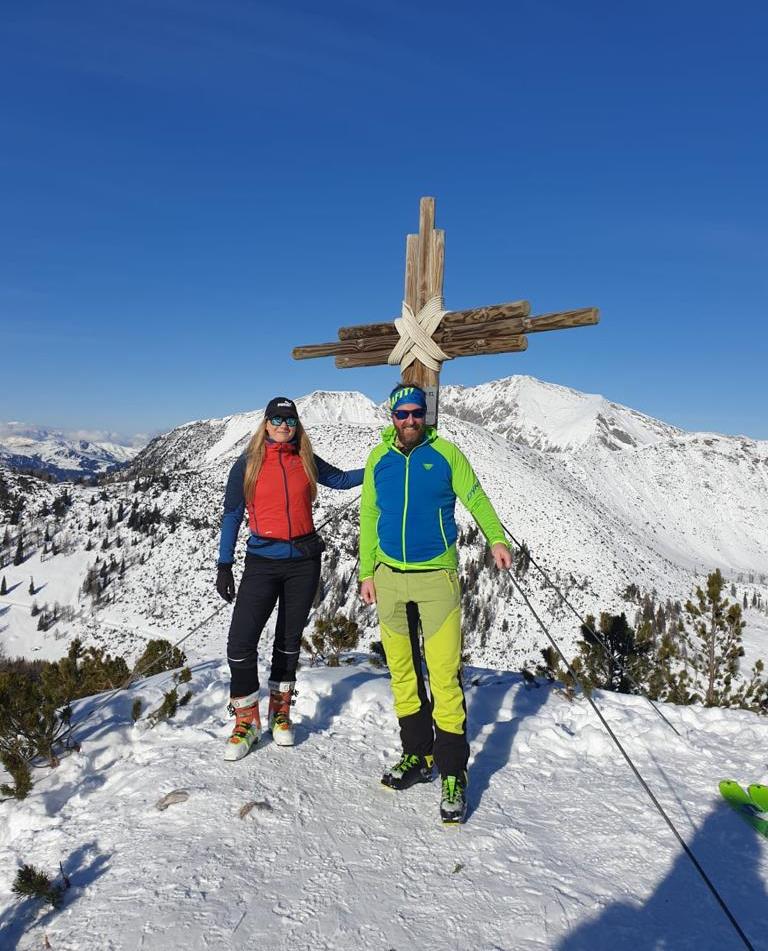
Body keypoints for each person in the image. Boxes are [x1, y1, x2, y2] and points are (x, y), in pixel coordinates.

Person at [359, 383, 512, 823]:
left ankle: (452, 772)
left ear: (426, 415)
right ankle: (417, 756)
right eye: (401, 414)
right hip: (388, 577)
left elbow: (476, 497)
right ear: (391, 417)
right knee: (403, 673)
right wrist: (366, 572)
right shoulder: (379, 459)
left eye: (416, 413)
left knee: (444, 677)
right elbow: (369, 515)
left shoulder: (445, 454)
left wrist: (496, 539)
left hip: (436, 579)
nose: (409, 420)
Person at [216, 396, 364, 760]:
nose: (284, 426)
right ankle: (246, 721)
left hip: (303, 562)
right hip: (262, 562)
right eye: (277, 419)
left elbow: (343, 480)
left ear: (297, 425)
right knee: (240, 643)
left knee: (287, 642)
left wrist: (382, 464)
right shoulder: (248, 464)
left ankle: (280, 715)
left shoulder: (305, 460)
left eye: (290, 420)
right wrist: (224, 564)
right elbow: (233, 515)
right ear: (265, 423)